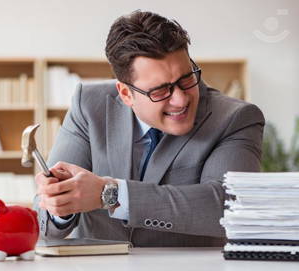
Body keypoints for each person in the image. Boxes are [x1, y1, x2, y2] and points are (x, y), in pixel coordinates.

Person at [33, 10, 265, 247]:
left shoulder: (236, 118)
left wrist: (110, 193)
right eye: (160, 90)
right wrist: (60, 203)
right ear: (126, 94)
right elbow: (46, 219)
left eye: (186, 79)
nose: (181, 100)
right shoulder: (89, 106)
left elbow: (229, 206)